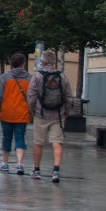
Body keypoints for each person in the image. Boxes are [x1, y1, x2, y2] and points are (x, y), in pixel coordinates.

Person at [26, 50, 73, 183]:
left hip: (41, 114)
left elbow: (31, 95)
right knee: (57, 142)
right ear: (54, 62)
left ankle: (36, 170)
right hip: (58, 115)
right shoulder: (62, 76)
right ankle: (56, 171)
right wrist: (66, 111)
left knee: (38, 143)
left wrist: (32, 109)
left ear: (42, 62)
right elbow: (69, 96)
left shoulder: (37, 76)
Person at [0, 52, 32, 175]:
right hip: (22, 114)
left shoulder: (5, 77)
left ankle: (5, 163)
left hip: (6, 114)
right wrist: (32, 112)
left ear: (12, 64)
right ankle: (19, 164)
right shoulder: (30, 79)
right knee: (20, 138)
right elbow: (32, 97)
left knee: (6, 138)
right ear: (23, 64)